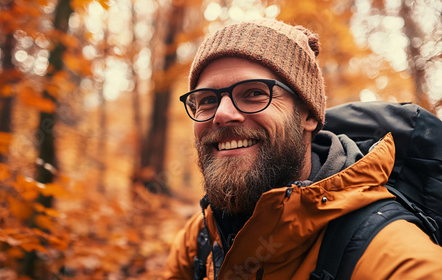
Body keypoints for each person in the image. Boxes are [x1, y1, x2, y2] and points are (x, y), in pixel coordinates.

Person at [163, 19, 442, 280]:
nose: (221, 114)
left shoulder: (387, 252)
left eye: (254, 93)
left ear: (308, 115)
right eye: (207, 100)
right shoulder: (202, 235)